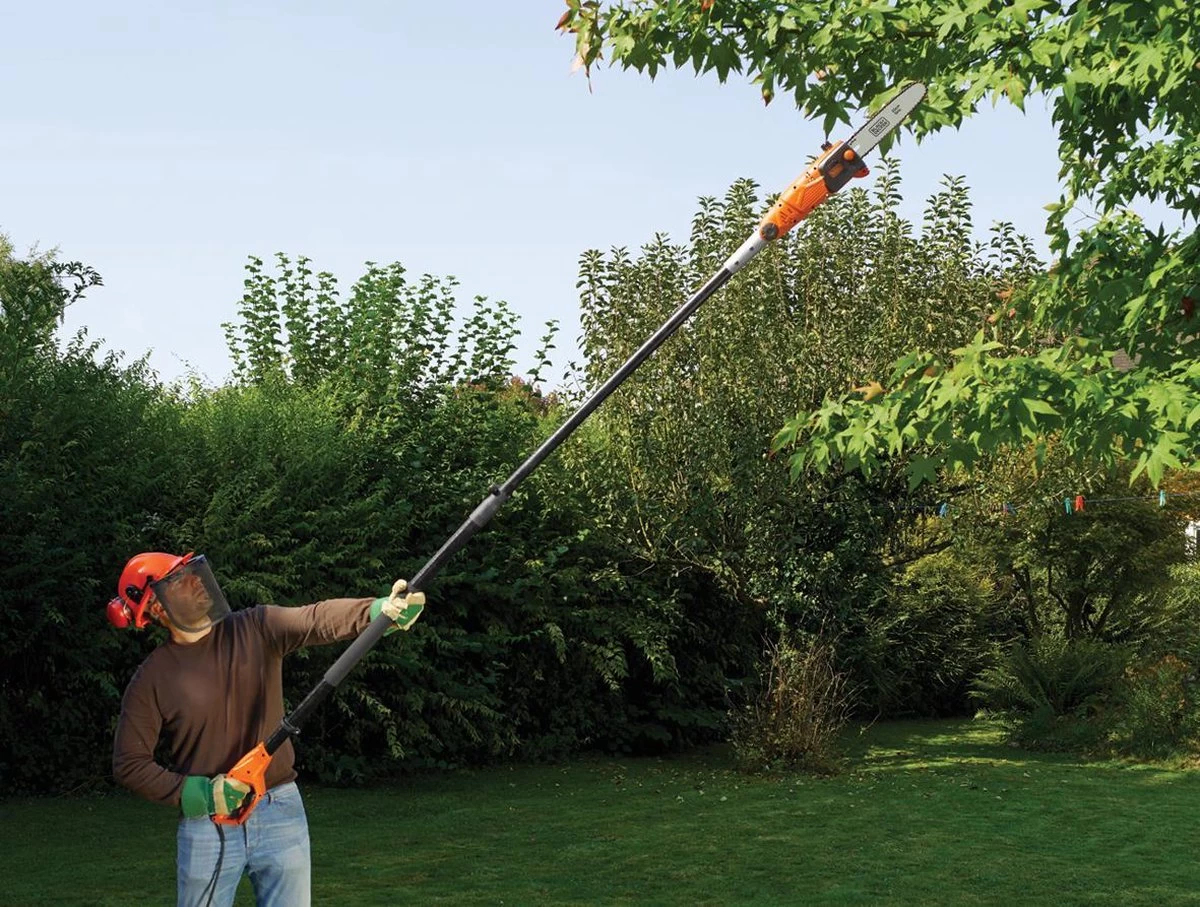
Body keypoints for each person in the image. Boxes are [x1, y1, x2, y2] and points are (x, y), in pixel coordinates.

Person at [107, 551, 424, 907]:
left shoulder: (255, 627)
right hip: (209, 825)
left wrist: (377, 611)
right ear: (156, 607)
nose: (197, 581)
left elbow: (314, 618)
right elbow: (129, 763)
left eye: (193, 572)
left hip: (280, 807)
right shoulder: (152, 679)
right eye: (181, 580)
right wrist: (200, 794)